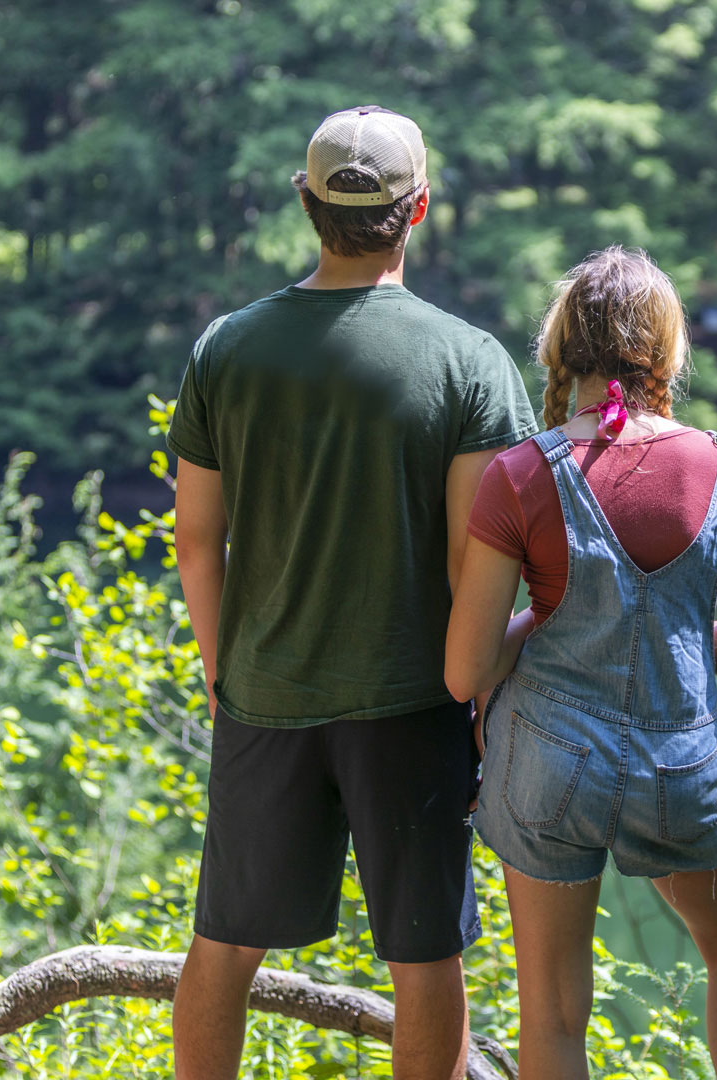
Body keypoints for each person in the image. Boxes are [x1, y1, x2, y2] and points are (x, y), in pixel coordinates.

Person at [168, 106, 537, 1080]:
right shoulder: (471, 364)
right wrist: (483, 693)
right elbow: (479, 568)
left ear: (307, 203)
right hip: (412, 703)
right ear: (418, 210)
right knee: (426, 955)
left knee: (223, 945)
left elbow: (196, 543)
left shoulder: (226, 352)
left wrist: (223, 673)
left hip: (264, 696)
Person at [445, 246, 717, 1080]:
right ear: (668, 353)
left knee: (556, 1010)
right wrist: (658, 635)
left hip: (551, 769)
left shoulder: (520, 475)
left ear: (560, 350)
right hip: (682, 768)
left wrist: (549, 622)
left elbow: (466, 671)